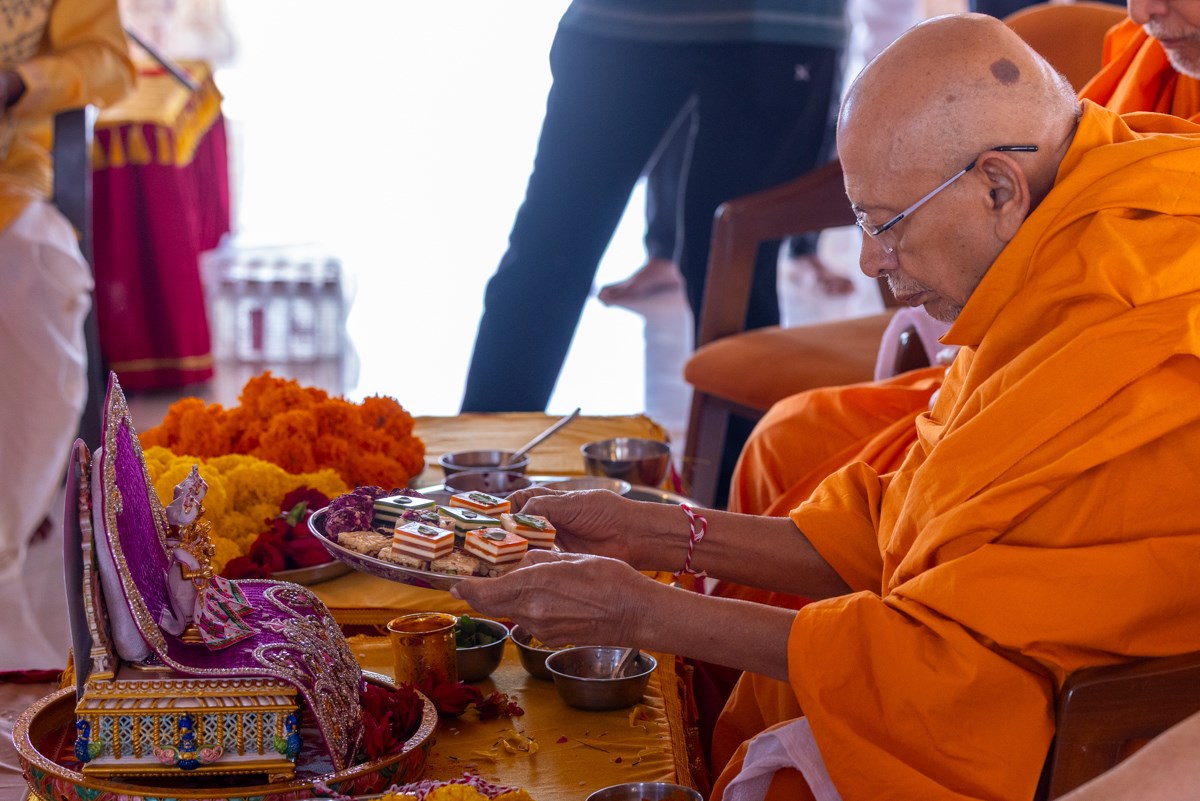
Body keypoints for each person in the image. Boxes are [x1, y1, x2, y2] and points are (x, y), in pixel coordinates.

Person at [453, 13, 1200, 800]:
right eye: (860, 223)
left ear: (997, 186)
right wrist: (652, 530)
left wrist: (640, 614)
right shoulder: (1058, 235)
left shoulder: (1132, 317)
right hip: (957, 671)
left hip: (1066, 738)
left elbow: (948, 662)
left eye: (887, 225)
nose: (872, 261)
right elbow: (905, 524)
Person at [729, 0, 1200, 522]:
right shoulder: (1144, 69)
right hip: (1009, 345)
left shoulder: (1125, 268)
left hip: (1099, 379)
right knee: (784, 440)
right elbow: (1045, 195)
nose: (1140, 11)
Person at [460, 0, 847, 413]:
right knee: (548, 246)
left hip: (777, 26)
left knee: (733, 277)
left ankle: (740, 475)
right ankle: (479, 463)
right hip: (616, 21)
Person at [0, 0, 135, 578]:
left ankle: (7, 528)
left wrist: (19, 81)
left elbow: (109, 64)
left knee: (46, 280)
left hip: (9, 184)